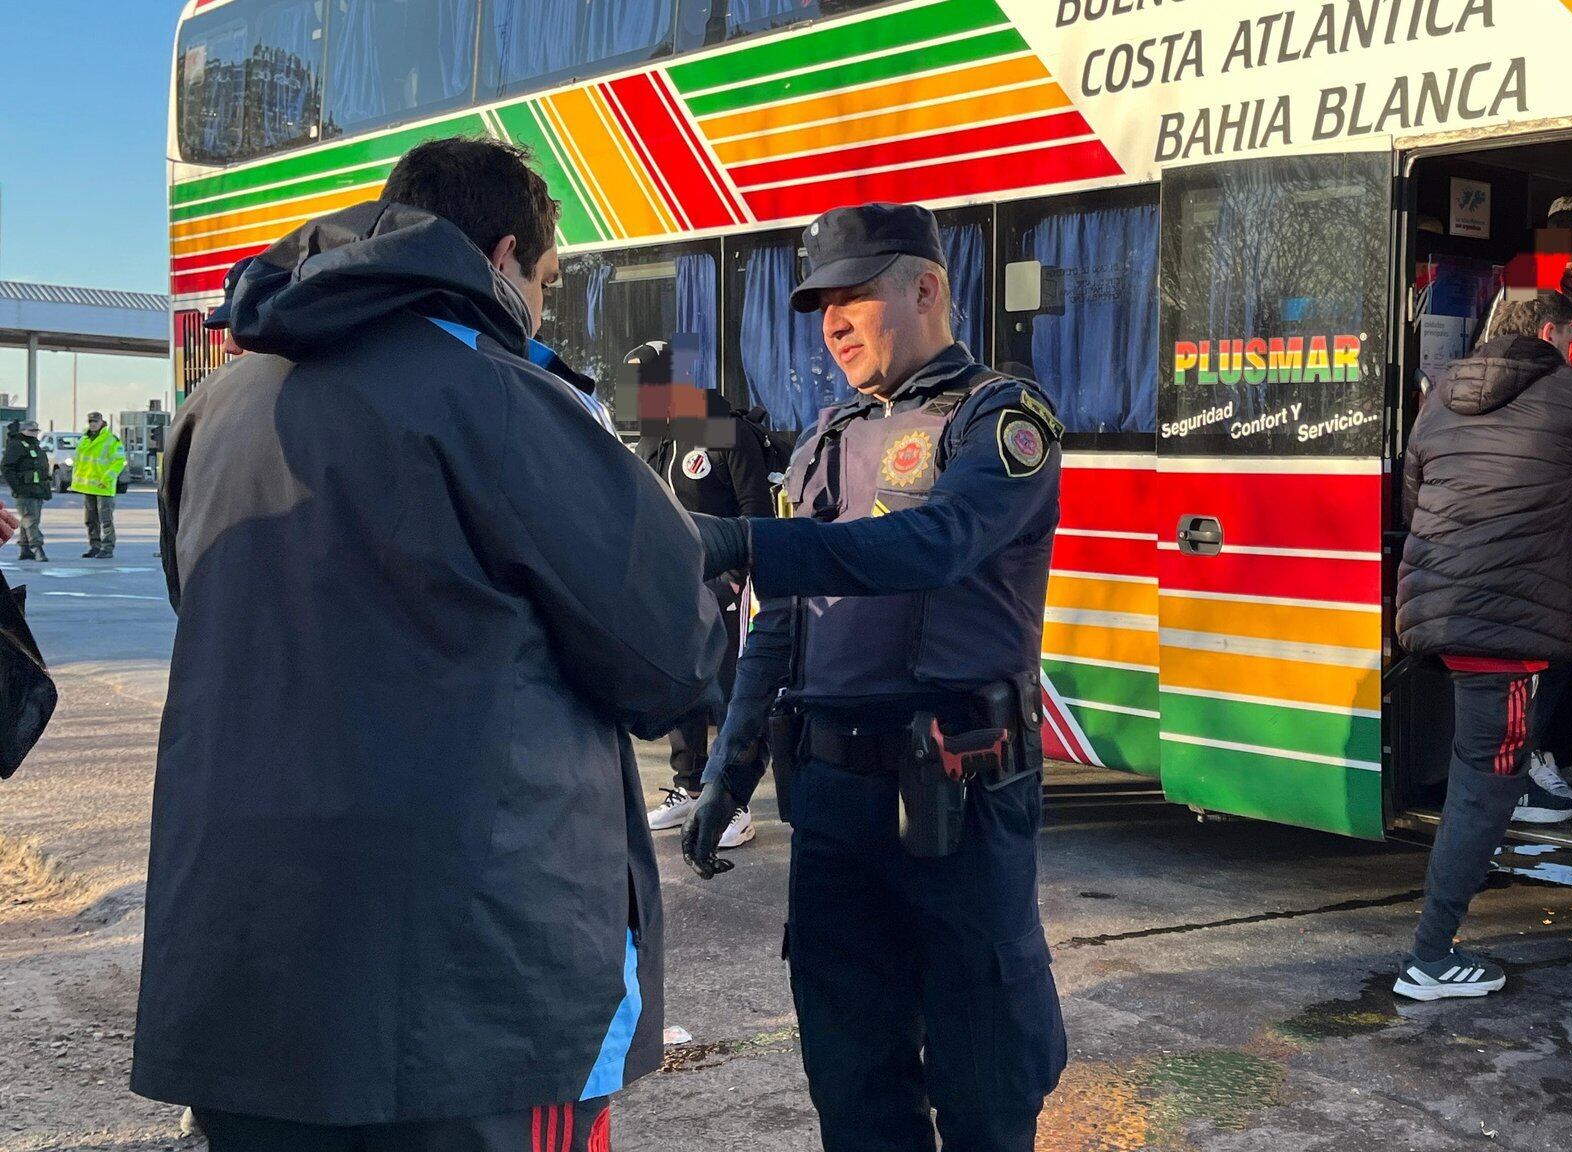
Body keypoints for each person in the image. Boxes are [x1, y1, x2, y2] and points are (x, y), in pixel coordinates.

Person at [132, 137, 726, 1152]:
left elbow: (208, 607)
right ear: (500, 258)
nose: (541, 307)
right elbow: (673, 657)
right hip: (473, 1000)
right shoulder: (501, 396)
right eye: (543, 281)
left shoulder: (214, 407)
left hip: (245, 979)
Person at [681, 202, 1068, 1150]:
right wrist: (728, 772)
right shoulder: (823, 440)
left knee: (985, 1090)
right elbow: (780, 627)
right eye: (822, 304)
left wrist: (748, 539)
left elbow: (939, 543)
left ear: (928, 288)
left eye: (856, 295)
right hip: (834, 816)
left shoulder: (1001, 419)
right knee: (854, 1093)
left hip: (958, 804)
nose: (834, 322)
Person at [1392, 290, 1572, 1001]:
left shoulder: (1439, 395)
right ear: (1558, 332)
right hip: (1504, 629)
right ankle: (1430, 960)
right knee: (1481, 790)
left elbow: (1415, 501)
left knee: (1503, 742)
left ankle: (1541, 757)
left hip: (1442, 609)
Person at [637, 338, 774, 849]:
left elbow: (755, 507)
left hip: (726, 583)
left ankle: (733, 802)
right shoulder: (658, 437)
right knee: (683, 683)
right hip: (674, 581)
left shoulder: (722, 428)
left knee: (729, 687)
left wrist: (736, 573)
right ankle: (688, 786)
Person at [73, 412, 126, 558]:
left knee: (106, 520)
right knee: (91, 520)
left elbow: (119, 461)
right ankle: (95, 546)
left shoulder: (111, 439)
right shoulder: (84, 438)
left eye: (95, 421)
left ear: (102, 422)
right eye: (90, 421)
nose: (93, 424)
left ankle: (107, 548)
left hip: (104, 487)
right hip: (88, 487)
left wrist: (107, 478)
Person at [2, 420, 51, 562]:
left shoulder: (34, 445)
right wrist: (17, 487)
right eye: (31, 431)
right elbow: (7, 468)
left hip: (37, 490)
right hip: (25, 491)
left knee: (28, 520)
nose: (34, 433)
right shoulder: (17, 445)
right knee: (31, 520)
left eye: (36, 431)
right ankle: (37, 548)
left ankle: (25, 549)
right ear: (22, 431)